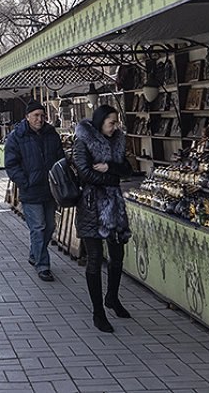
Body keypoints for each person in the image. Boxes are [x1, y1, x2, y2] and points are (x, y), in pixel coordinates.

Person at [72, 104, 134, 333]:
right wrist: (112, 178)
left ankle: (112, 298)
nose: (114, 126)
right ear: (100, 122)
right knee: (95, 258)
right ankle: (98, 312)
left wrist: (109, 167)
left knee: (118, 255)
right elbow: (84, 172)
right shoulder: (83, 140)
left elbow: (127, 168)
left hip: (114, 206)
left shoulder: (118, 140)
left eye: (116, 122)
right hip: (91, 206)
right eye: (111, 123)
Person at [4, 100, 64, 282]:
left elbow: (60, 158)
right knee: (38, 227)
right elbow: (11, 164)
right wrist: (25, 182)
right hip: (31, 190)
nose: (40, 119)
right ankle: (43, 265)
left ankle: (34, 253)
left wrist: (61, 177)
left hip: (50, 189)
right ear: (27, 117)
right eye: (36, 115)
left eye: (42, 115)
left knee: (50, 227)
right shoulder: (17, 137)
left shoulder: (51, 134)